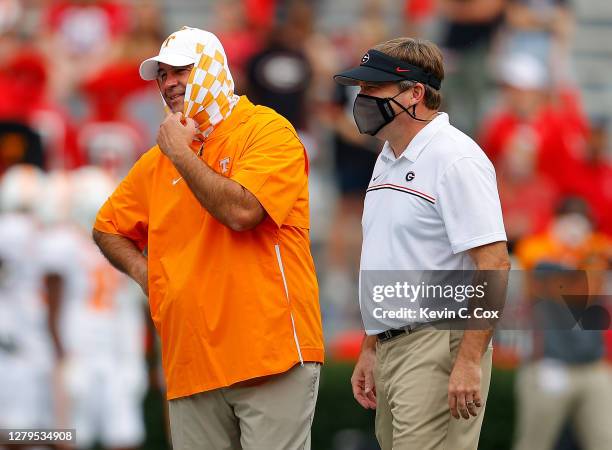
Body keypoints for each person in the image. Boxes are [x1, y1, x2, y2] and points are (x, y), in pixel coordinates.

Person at [92, 26, 324, 449]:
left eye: (181, 70)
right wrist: (150, 277)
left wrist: (180, 153)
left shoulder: (267, 130)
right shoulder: (157, 160)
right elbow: (108, 227)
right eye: (162, 75)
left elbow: (242, 212)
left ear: (215, 69)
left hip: (269, 355)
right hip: (191, 361)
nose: (169, 83)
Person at [334, 37, 510, 449]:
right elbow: (393, 257)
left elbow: (495, 263)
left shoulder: (455, 158)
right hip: (399, 343)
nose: (362, 97)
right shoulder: (389, 155)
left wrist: (467, 361)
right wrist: (372, 344)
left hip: (438, 341)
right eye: (361, 88)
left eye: (373, 88)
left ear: (415, 93)